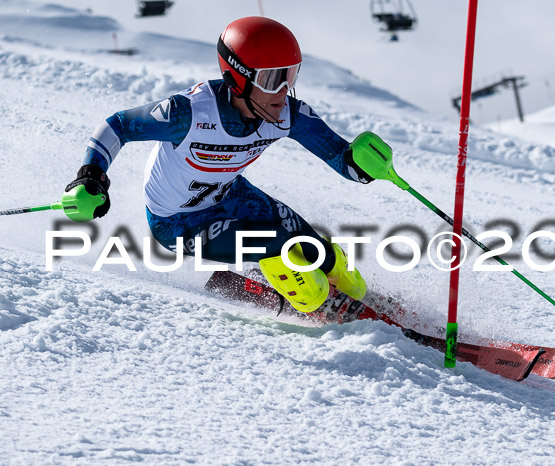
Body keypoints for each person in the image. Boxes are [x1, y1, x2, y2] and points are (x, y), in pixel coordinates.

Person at [61, 16, 385, 313]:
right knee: (279, 245)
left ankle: (353, 293)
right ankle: (312, 303)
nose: (284, 92)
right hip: (177, 224)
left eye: (290, 76)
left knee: (315, 247)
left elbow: (344, 160)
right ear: (237, 78)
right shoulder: (188, 113)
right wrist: (90, 176)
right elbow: (118, 125)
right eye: (273, 79)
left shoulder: (287, 114)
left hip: (228, 195)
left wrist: (363, 163)